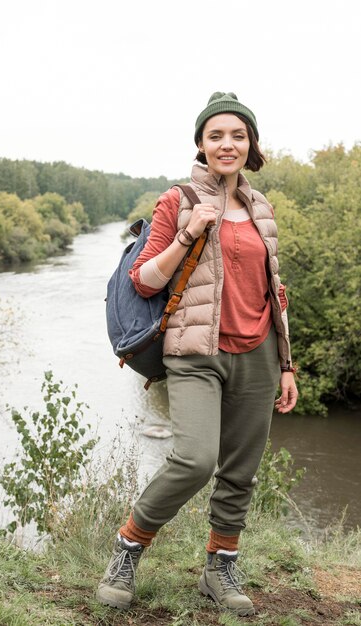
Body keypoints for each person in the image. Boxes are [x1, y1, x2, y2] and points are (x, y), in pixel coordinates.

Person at [97, 92, 298, 617]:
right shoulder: (178, 199)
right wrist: (189, 231)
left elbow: (273, 288)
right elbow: (143, 281)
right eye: (216, 135)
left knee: (241, 469)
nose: (227, 144)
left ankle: (220, 566)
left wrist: (287, 364)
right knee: (194, 459)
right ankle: (128, 548)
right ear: (201, 144)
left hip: (258, 350)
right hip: (193, 351)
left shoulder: (261, 208)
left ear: (250, 144)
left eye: (238, 135)